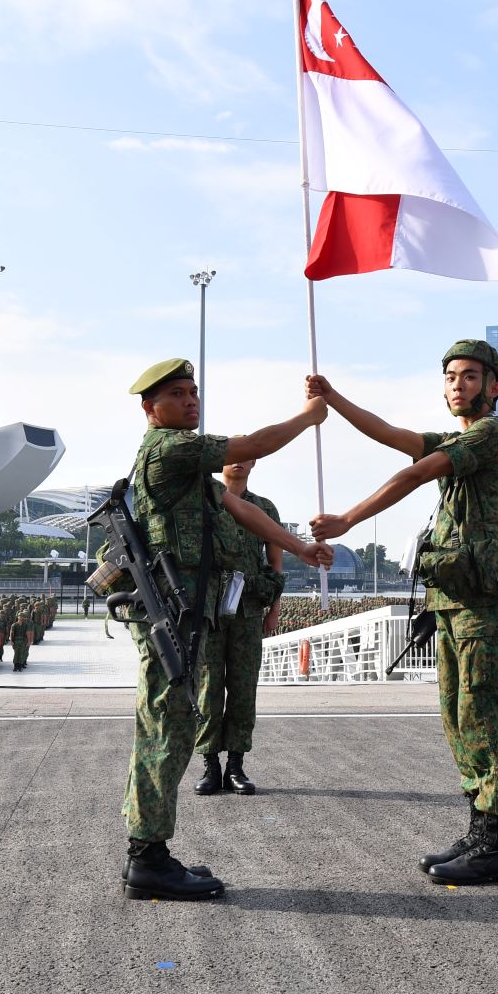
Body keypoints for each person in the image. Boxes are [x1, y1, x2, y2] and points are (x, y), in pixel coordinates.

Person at [310, 340, 498, 887]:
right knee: (458, 713)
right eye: (452, 376)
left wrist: (348, 521)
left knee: (485, 712)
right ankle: (480, 826)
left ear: (494, 387)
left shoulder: (489, 434)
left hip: (480, 601)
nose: (459, 384)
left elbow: (414, 473)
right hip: (454, 597)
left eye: (471, 376)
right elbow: (393, 437)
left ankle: (497, 841)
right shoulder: (459, 437)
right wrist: (334, 399)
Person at [119, 357, 329, 901]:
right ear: (151, 408)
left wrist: (299, 547)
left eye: (194, 392)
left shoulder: (186, 469)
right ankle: (148, 857)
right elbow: (252, 443)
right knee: (168, 729)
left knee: (170, 724)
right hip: (176, 613)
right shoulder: (172, 449)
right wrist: (307, 417)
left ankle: (150, 851)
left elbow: (239, 510)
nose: (192, 401)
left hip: (187, 612)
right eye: (179, 395)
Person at [194, 457, 288, 796]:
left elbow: (275, 563)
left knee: (243, 688)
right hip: (210, 610)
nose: (237, 462)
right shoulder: (205, 503)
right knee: (208, 687)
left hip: (248, 611)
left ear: (253, 463)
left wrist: (273, 609)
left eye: (244, 457)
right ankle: (209, 764)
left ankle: (236, 764)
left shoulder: (263, 508)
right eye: (230, 457)